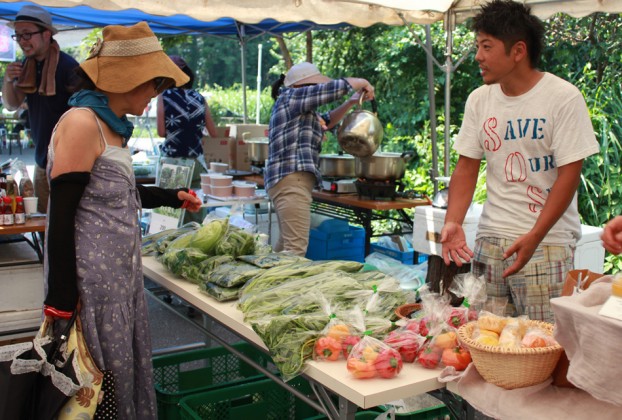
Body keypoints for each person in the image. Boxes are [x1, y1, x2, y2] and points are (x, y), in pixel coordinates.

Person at [42, 22, 202, 418]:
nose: (155, 95)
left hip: (119, 282)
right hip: (91, 289)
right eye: (153, 85)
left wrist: (170, 196)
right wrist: (61, 303)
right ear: (126, 80)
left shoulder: (113, 128)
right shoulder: (82, 122)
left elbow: (115, 193)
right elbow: (61, 217)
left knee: (118, 379)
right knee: (95, 386)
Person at [440, 0, 599, 322]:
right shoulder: (479, 99)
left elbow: (569, 176)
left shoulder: (563, 97)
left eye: (487, 46)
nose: (478, 57)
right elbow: (467, 166)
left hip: (547, 244)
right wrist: (453, 221)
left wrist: (536, 236)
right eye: (477, 46)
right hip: (490, 241)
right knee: (488, 341)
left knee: (541, 346)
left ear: (518, 51)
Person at [265, 61, 375, 256]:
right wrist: (362, 81)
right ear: (302, 86)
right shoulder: (291, 97)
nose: (317, 90)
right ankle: (281, 286)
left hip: (289, 180)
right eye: (314, 86)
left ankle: (263, 281)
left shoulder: (301, 110)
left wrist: (351, 102)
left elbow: (328, 120)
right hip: (292, 179)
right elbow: (331, 90)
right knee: (295, 250)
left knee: (285, 246)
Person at [2, 4, 79, 213]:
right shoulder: (25, 67)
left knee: (63, 224)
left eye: (27, 35)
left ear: (46, 34)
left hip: (68, 164)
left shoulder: (68, 67)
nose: (22, 42)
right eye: (18, 36)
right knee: (42, 223)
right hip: (41, 161)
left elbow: (83, 115)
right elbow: (11, 105)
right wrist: (8, 80)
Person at [156, 54, 218, 187]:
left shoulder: (164, 97)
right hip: (196, 161)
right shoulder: (200, 97)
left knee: (171, 205)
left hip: (173, 162)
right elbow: (213, 132)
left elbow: (161, 132)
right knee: (195, 204)